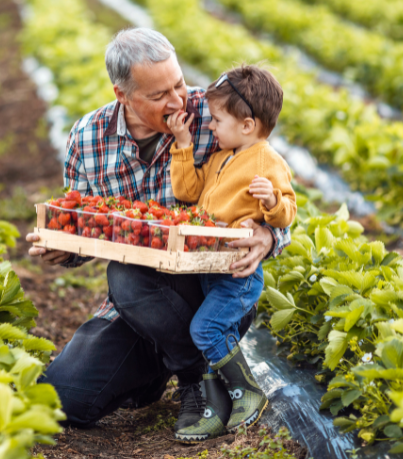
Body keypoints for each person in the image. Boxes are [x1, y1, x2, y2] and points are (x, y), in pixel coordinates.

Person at [26, 28, 291, 435]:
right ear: (122, 95)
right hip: (136, 306)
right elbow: (87, 226)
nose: (178, 100)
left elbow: (275, 190)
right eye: (158, 95)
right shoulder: (88, 138)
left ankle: (194, 382)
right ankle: (160, 370)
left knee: (124, 272)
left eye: (179, 83)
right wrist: (64, 246)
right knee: (62, 400)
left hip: (207, 290)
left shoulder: (218, 114)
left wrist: (271, 236)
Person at [166, 64, 296, 443]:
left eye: (216, 120)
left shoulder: (266, 161)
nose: (210, 126)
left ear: (247, 125)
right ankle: (217, 408)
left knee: (205, 330)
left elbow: (288, 208)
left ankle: (248, 391)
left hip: (238, 273)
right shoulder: (223, 158)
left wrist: (271, 202)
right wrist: (184, 145)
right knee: (212, 336)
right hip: (211, 268)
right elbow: (188, 192)